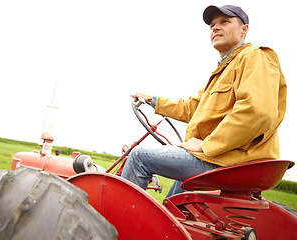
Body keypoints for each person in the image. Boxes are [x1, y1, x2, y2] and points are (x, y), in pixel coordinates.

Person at [121, 5, 287, 198]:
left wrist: (206, 145)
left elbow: (257, 112)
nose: (215, 28)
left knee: (139, 156)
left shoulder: (255, 56)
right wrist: (155, 102)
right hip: (223, 157)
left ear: (244, 29)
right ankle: (171, 223)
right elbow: (193, 108)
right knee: (175, 196)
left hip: (232, 159)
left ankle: (120, 225)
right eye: (212, 25)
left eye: (224, 22)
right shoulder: (224, 70)